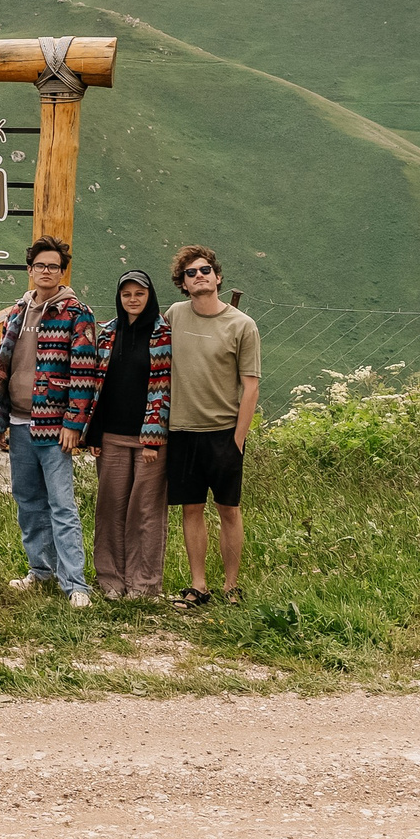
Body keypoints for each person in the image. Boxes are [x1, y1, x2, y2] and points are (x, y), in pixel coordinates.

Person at [0, 237, 99, 607]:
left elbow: (85, 373)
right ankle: (40, 570)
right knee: (29, 500)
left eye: (54, 266)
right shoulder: (18, 310)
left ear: (61, 271)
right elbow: (5, 366)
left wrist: (73, 423)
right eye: (40, 266)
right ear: (30, 269)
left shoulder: (75, 312)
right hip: (18, 422)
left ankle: (76, 584)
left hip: (54, 426)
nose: (46, 272)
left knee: (62, 505)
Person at [165, 244, 260, 606]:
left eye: (205, 270)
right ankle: (198, 585)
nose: (199, 276)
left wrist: (238, 438)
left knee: (228, 509)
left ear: (218, 277)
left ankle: (231, 587)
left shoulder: (242, 325)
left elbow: (251, 385)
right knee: (191, 508)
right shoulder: (174, 315)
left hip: (224, 432)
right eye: (190, 273)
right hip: (183, 430)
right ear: (183, 284)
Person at [83, 269, 172, 602]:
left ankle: (145, 584)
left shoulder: (163, 334)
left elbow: (163, 389)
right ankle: (110, 579)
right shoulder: (107, 333)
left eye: (139, 293)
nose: (133, 300)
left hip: (149, 440)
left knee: (145, 512)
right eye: (126, 294)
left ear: (150, 296)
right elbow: (97, 386)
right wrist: (93, 435)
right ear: (119, 298)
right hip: (111, 436)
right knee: (110, 508)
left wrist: (152, 437)